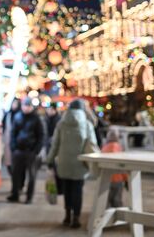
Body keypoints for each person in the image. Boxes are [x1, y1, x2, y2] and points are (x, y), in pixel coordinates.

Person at [46, 98, 97, 229]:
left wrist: (50, 160)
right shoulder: (87, 124)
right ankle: (76, 218)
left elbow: (55, 144)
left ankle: (67, 215)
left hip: (63, 163)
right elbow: (92, 144)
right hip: (80, 163)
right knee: (77, 190)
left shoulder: (61, 124)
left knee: (67, 189)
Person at [7, 96, 45, 204]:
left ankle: (29, 197)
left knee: (32, 176)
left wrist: (36, 150)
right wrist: (13, 148)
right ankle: (15, 194)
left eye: (28, 106)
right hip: (18, 151)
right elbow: (13, 133)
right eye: (24, 105)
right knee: (15, 174)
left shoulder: (36, 118)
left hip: (31, 151)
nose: (26, 108)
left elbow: (41, 135)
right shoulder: (18, 117)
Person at [101, 128, 128, 208]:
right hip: (118, 180)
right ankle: (119, 218)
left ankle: (107, 217)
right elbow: (123, 166)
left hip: (106, 179)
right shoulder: (119, 148)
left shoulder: (104, 148)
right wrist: (126, 179)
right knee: (117, 201)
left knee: (107, 201)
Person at [2, 97, 21, 175]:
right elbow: (3, 126)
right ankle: (13, 175)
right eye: (13, 103)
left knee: (17, 162)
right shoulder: (8, 115)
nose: (14, 105)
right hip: (8, 140)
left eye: (16, 103)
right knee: (8, 160)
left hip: (18, 142)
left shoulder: (21, 115)